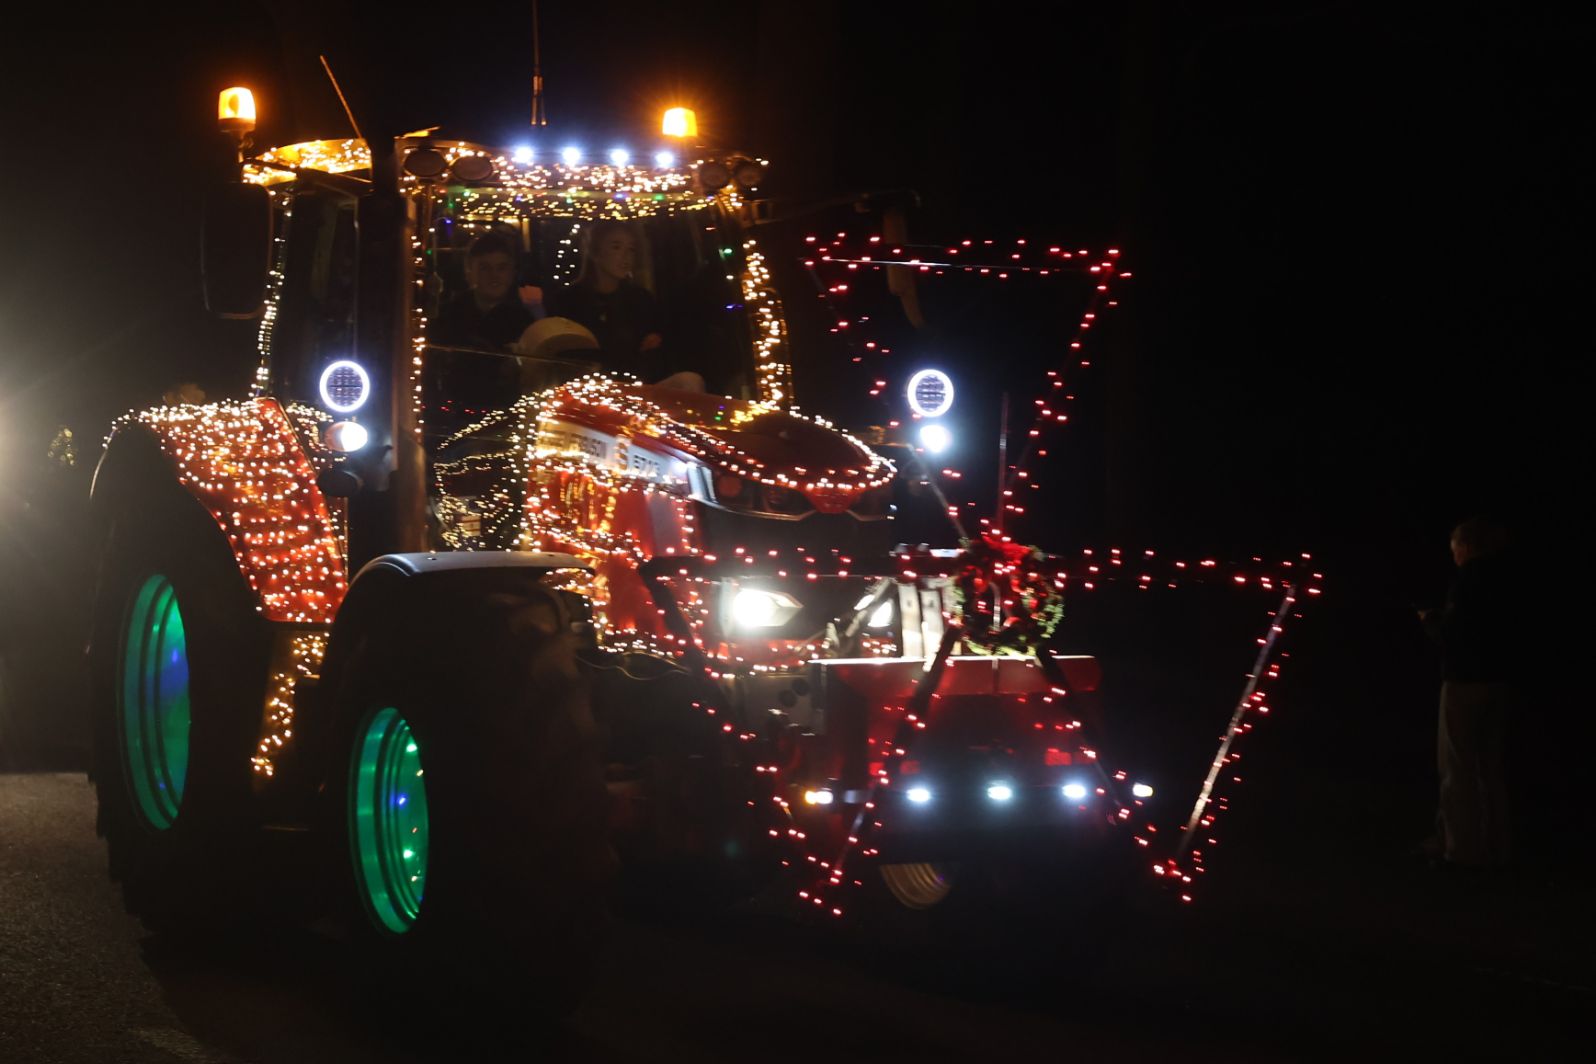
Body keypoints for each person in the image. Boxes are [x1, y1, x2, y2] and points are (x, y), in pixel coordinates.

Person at [1418, 516, 1521, 869]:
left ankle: (1461, 851)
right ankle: (1497, 846)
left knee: (1457, 767)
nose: (1454, 556)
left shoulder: (1468, 581)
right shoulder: (1507, 580)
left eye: (1455, 550)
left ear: (1466, 546)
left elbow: (1455, 635)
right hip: (1500, 681)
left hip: (1465, 682)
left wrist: (1431, 622)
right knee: (1489, 768)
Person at [535, 220, 703, 391]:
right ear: (595, 252)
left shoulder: (640, 298)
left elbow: (657, 349)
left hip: (635, 386)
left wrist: (653, 345)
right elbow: (567, 357)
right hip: (589, 389)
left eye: (631, 249)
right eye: (616, 247)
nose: (626, 256)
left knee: (690, 381)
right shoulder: (569, 300)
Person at [431, 232, 537, 350]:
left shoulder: (524, 321)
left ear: (512, 273)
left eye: (501, 268)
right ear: (469, 272)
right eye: (485, 268)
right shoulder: (448, 316)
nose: (494, 275)